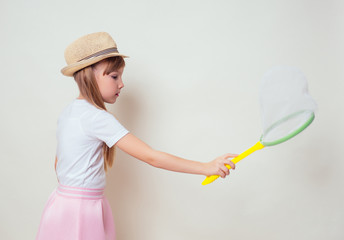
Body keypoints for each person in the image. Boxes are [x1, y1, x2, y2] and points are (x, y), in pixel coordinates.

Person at [36, 32, 237, 240]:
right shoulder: (97, 118)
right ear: (88, 75)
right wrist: (205, 167)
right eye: (114, 76)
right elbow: (151, 157)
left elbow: (58, 165)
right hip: (83, 210)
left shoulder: (68, 112)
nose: (121, 84)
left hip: (59, 205)